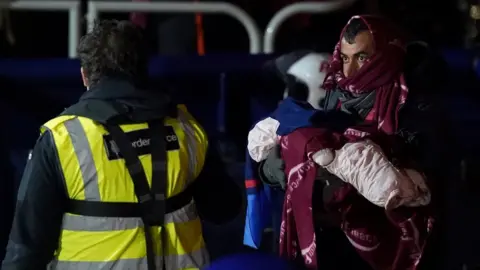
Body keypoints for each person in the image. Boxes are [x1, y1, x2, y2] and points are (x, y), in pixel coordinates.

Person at [1, 19, 241, 270]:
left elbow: (27, 250)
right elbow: (225, 209)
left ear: (85, 76)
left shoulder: (63, 140)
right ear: (143, 69)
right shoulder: (188, 129)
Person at [258, 15, 455, 270]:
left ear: (386, 55)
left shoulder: (417, 107)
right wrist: (274, 168)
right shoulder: (333, 95)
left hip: (394, 247)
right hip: (333, 243)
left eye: (362, 57)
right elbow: (304, 142)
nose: (349, 71)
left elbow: (425, 181)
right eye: (346, 58)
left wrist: (349, 175)